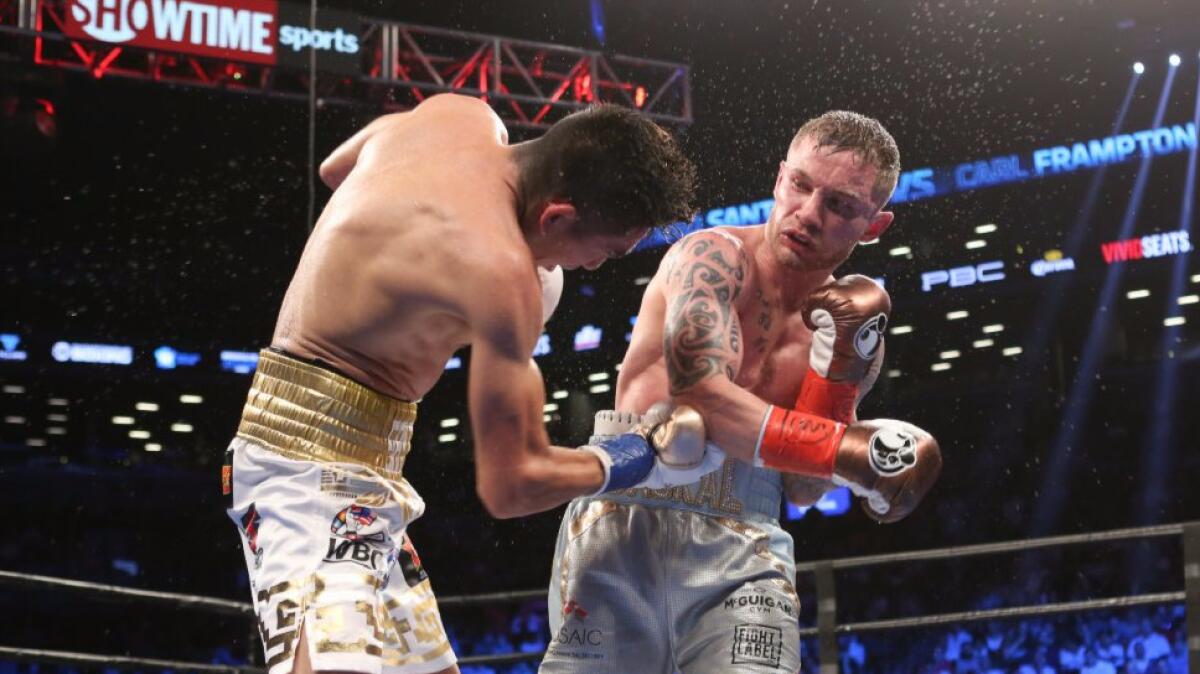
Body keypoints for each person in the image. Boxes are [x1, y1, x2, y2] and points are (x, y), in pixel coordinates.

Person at [222, 93, 703, 674]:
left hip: (368, 475)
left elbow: (335, 170)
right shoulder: (502, 274)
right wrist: (627, 458)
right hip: (297, 468)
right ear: (556, 216)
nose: (595, 268)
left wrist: (392, 263)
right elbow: (509, 485)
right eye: (603, 251)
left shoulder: (460, 114)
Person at [541, 110, 942, 673]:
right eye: (800, 185)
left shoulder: (851, 330)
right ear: (779, 178)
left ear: (873, 226)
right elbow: (700, 398)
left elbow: (802, 491)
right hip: (631, 507)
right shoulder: (711, 257)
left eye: (840, 205)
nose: (808, 214)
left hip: (749, 537)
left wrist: (835, 379)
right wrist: (843, 450)